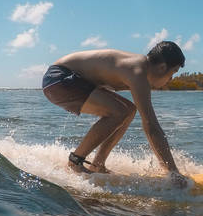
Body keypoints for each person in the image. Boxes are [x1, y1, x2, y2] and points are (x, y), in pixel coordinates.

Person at [42, 40, 189, 186]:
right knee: (119, 112)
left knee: (128, 110)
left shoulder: (139, 67)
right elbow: (151, 125)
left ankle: (97, 165)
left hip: (65, 80)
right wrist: (173, 172)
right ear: (162, 67)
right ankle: (75, 161)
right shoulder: (137, 72)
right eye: (173, 72)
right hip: (58, 79)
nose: (171, 79)